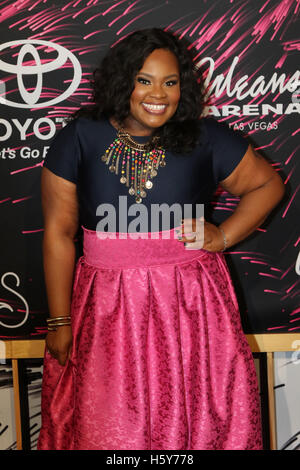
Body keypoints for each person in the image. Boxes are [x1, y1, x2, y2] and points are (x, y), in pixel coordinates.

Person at [37, 28, 284, 450]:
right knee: (111, 429)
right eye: (144, 80)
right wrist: (60, 322)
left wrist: (223, 235)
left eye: (170, 82)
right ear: (123, 81)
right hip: (108, 307)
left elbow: (267, 186)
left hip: (191, 306)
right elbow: (59, 234)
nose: (159, 94)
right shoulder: (79, 137)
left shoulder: (205, 135)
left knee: (198, 421)